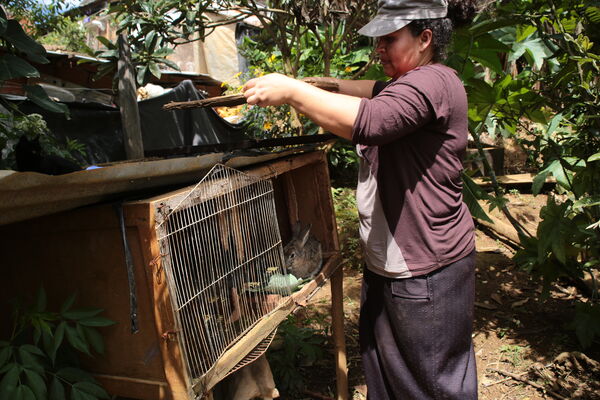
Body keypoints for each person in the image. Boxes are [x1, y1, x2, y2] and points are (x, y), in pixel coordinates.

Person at [243, 0, 479, 398]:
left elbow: (373, 120)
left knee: (430, 381)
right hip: (393, 263)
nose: (380, 49)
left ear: (425, 39)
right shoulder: (413, 81)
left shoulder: (431, 82)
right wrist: (327, 85)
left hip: (426, 268)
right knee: (389, 374)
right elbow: (375, 92)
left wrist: (294, 91)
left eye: (389, 39)